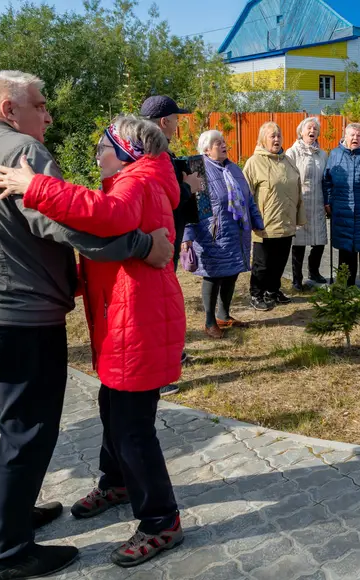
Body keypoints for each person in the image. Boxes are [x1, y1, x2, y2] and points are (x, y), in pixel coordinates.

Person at [0, 70, 172, 580]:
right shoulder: (22, 155)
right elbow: (76, 227)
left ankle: (16, 515)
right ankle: (8, 553)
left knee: (15, 425)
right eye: (40, 105)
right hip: (24, 320)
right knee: (27, 435)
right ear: (8, 108)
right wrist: (146, 246)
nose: (49, 115)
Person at [0, 115, 187, 568]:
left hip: (139, 325)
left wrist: (34, 186)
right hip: (127, 322)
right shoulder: (138, 179)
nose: (98, 154)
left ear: (128, 150)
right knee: (112, 410)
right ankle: (117, 483)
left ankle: (161, 521)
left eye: (104, 146)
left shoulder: (135, 182)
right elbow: (108, 238)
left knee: (133, 429)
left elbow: (104, 215)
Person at [140, 95, 201, 397]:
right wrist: (190, 187)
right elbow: (161, 196)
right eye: (176, 119)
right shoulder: (151, 151)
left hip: (160, 239)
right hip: (155, 243)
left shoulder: (143, 147)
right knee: (155, 306)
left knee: (163, 303)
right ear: (165, 121)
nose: (178, 124)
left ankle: (170, 356)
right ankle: (157, 374)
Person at [183, 130, 264, 337]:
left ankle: (223, 315)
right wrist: (187, 237)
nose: (223, 144)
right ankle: (210, 321)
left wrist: (257, 222)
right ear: (207, 150)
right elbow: (191, 208)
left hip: (236, 233)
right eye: (217, 143)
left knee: (231, 274)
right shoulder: (197, 171)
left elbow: (248, 199)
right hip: (213, 235)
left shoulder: (234, 169)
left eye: (223, 141)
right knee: (213, 276)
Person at [243, 122, 305, 311]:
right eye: (272, 136)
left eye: (279, 135)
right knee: (262, 264)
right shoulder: (254, 162)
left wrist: (298, 218)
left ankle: (272, 290)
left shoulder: (287, 161)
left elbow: (298, 191)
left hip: (286, 222)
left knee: (279, 261)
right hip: (264, 225)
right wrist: (250, 221)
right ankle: (256, 293)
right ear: (263, 139)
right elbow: (245, 195)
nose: (277, 139)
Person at [324, 123, 360, 288]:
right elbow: (327, 180)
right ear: (345, 136)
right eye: (352, 135)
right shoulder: (335, 155)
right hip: (342, 209)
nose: (355, 138)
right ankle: (345, 280)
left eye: (358, 135)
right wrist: (327, 201)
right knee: (346, 247)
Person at [285, 117, 329, 291]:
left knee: (319, 241)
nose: (312, 131)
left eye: (315, 129)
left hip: (318, 202)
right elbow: (288, 179)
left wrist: (327, 201)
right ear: (301, 132)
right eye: (309, 128)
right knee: (299, 242)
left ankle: (314, 272)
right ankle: (297, 278)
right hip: (300, 203)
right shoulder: (292, 152)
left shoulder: (323, 154)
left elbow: (326, 179)